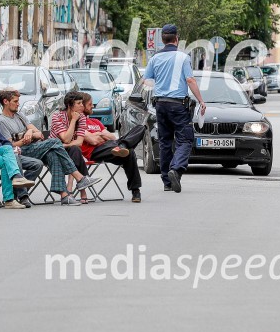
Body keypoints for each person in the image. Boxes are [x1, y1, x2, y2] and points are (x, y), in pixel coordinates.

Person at [0, 89, 100, 206]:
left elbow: (38, 133)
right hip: (19, 152)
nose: (18, 103)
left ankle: (64, 195)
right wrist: (26, 139)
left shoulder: (19, 115)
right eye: (15, 101)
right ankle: (79, 178)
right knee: (54, 142)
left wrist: (30, 131)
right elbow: (10, 146)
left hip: (33, 148)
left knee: (53, 154)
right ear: (5, 101)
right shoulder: (1, 121)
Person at [143, 24, 206, 193]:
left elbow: (146, 81)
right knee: (185, 139)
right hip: (178, 105)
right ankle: (176, 170)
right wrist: (201, 100)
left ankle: (166, 182)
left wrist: (160, 86)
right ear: (176, 39)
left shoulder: (155, 58)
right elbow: (190, 80)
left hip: (160, 104)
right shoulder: (182, 57)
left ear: (163, 39)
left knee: (165, 142)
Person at [77, 92, 144, 203]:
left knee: (141, 128)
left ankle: (122, 145)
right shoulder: (79, 123)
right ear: (83, 106)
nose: (93, 106)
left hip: (112, 146)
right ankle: (135, 190)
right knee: (130, 152)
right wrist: (101, 135)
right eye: (90, 104)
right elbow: (93, 141)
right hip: (96, 151)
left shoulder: (96, 121)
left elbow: (112, 136)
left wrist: (98, 135)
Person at [50, 91, 96, 203]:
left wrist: (65, 145)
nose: (82, 105)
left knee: (76, 149)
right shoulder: (57, 117)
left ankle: (72, 187)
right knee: (75, 150)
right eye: (79, 103)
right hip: (54, 153)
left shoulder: (83, 118)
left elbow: (79, 142)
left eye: (82, 103)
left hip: (68, 150)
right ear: (70, 105)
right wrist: (74, 121)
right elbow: (65, 137)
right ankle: (82, 189)